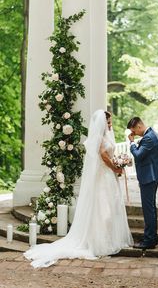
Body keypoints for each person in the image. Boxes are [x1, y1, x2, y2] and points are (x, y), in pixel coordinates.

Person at [24, 110, 133, 268]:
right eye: (108, 122)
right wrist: (116, 168)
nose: (110, 124)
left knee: (110, 208)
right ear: (102, 123)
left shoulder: (106, 136)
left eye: (110, 122)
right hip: (103, 178)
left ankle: (108, 239)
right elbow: (103, 156)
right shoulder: (100, 139)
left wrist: (119, 162)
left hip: (108, 176)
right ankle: (99, 242)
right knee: (104, 210)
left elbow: (109, 155)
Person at [127, 117, 158, 250]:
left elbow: (138, 155)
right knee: (151, 208)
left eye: (134, 131)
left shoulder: (149, 138)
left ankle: (149, 240)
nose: (134, 134)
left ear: (139, 126)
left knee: (148, 209)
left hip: (149, 177)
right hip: (151, 176)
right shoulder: (151, 134)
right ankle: (152, 238)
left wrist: (132, 143)